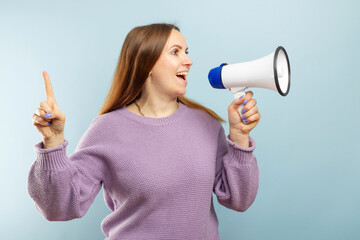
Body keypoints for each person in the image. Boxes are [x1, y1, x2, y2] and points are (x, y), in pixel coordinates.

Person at [28, 23, 261, 240]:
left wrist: (239, 136)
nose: (188, 61)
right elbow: (60, 207)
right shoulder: (107, 129)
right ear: (147, 64)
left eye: (187, 51)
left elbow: (238, 200)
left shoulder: (207, 124)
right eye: (176, 52)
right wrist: (53, 142)